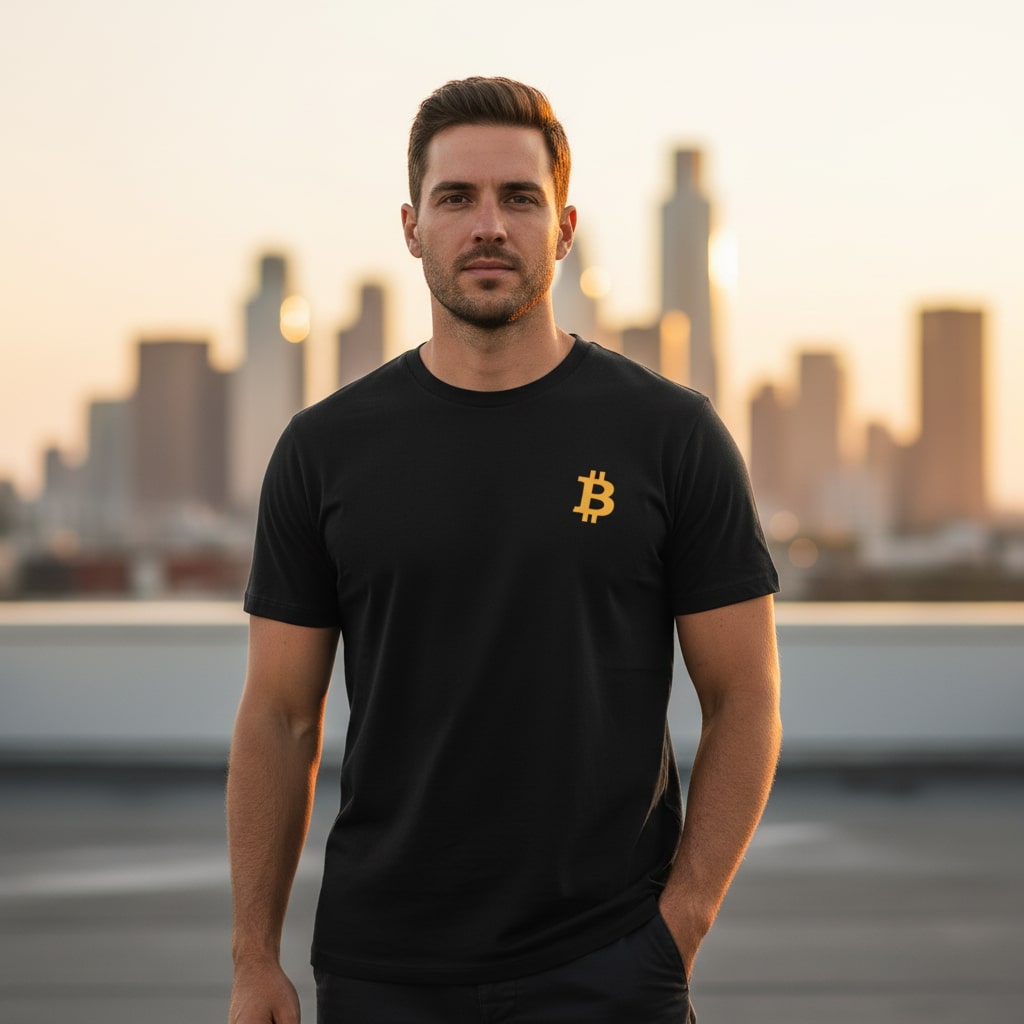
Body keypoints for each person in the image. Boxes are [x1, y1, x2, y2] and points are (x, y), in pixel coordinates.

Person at [227, 76, 782, 1024]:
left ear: (563, 229)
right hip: (383, 969)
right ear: (413, 228)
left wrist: (679, 927)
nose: (488, 225)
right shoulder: (324, 451)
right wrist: (253, 960)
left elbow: (746, 697)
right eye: (457, 198)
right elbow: (279, 718)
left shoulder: (670, 436)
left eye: (519, 198)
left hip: (608, 964)